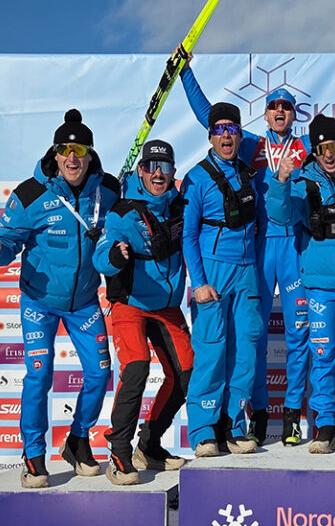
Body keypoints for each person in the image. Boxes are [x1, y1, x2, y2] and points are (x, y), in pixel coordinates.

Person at [180, 55, 335, 446]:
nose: (279, 110)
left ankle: (292, 417)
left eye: (286, 106)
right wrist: (185, 74)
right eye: (273, 106)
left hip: (297, 247)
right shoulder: (251, 144)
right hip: (260, 247)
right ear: (265, 114)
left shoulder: (306, 146)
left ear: (294, 114)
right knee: (253, 336)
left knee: (299, 336)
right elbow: (207, 116)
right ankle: (255, 414)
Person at [0, 109, 119, 488]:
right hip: (38, 301)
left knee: (100, 372)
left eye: (79, 150)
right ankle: (34, 455)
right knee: (39, 374)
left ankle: (78, 440)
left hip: (84, 302)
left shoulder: (107, 191)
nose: (72, 158)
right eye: (64, 150)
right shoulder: (31, 194)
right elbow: (7, 237)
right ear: (54, 155)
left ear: (89, 155)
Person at [267, 115, 335, 454]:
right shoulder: (303, 183)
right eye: (323, 147)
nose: (330, 154)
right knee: (323, 355)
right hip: (319, 286)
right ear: (314, 151)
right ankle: (324, 425)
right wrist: (281, 180)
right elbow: (280, 215)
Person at [93, 139, 193, 485]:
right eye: (151, 167)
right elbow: (103, 252)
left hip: (166, 305)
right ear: (141, 171)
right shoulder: (123, 211)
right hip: (131, 302)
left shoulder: (180, 204)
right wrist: (114, 256)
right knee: (136, 368)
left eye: (164, 168)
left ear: (173, 172)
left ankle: (149, 445)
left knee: (185, 373)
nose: (158, 174)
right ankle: (119, 454)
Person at [181, 102, 265, 456]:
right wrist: (198, 281)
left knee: (245, 349)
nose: (226, 135)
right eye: (219, 129)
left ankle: (234, 425)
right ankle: (203, 430)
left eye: (232, 128)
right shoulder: (196, 178)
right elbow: (187, 235)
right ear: (210, 136)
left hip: (246, 272)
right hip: (213, 272)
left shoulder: (248, 174)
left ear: (240, 135)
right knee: (211, 350)